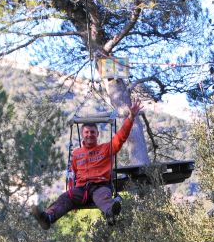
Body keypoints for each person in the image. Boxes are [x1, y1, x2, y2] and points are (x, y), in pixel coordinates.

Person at [31, 99, 143, 230]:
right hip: (81, 190)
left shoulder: (106, 148)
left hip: (100, 186)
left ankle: (111, 213)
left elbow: (121, 137)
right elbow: (74, 173)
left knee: (103, 198)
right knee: (65, 197)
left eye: (92, 132)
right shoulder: (76, 153)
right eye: (87, 132)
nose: (90, 135)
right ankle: (47, 218)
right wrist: (73, 189)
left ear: (97, 134)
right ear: (82, 134)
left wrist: (131, 117)